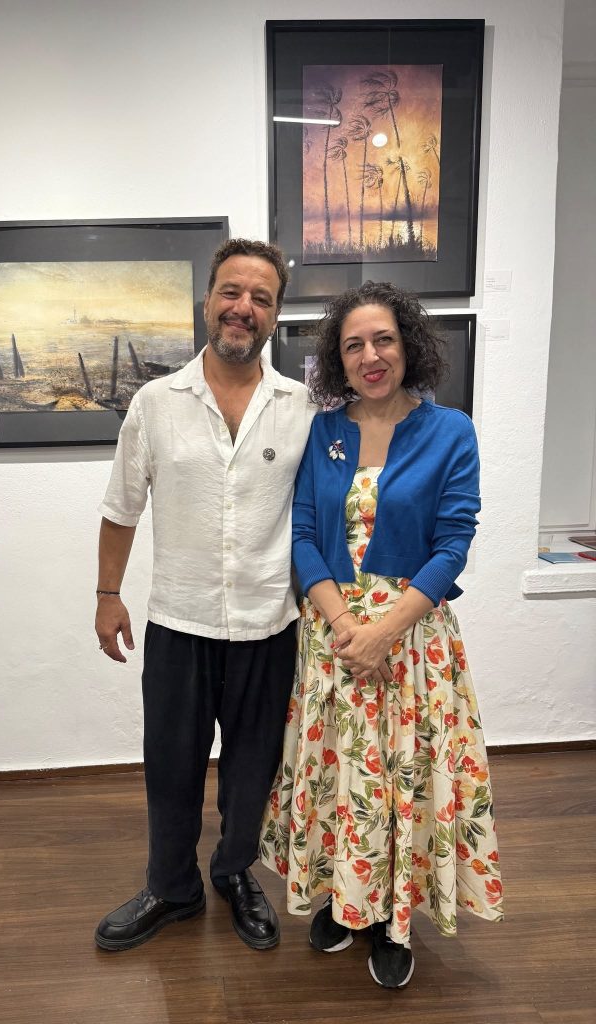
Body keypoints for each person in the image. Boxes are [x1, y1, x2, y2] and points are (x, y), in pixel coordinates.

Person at [260, 280, 503, 988]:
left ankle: (395, 920)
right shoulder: (323, 432)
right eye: (353, 345)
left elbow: (453, 545)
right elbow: (304, 536)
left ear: (409, 346)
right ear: (338, 359)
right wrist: (345, 625)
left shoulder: (450, 431)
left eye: (383, 340)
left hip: (412, 642)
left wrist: (384, 632)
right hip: (333, 638)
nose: (370, 356)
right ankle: (346, 901)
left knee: (404, 776)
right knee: (341, 773)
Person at [94, 239, 315, 952]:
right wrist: (107, 594)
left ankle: (235, 872)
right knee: (171, 765)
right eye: (231, 292)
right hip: (178, 621)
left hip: (268, 625)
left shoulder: (302, 408)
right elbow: (121, 507)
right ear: (208, 299)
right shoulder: (156, 403)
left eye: (261, 298)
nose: (243, 307)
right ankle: (171, 887)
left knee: (253, 769)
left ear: (274, 315)